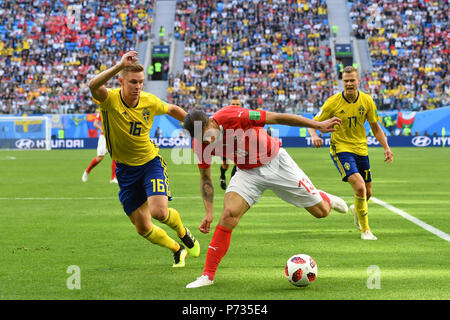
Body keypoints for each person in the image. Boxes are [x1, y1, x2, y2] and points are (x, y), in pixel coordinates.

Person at [183, 102, 348, 288]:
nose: (208, 141)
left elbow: (277, 117)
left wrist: (317, 125)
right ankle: (208, 276)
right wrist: (208, 212)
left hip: (276, 162)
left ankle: (324, 197)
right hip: (247, 173)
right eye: (202, 139)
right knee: (229, 214)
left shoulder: (235, 115)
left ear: (212, 122)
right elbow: (205, 178)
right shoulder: (200, 144)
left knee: (322, 211)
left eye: (208, 135)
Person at [88, 50, 200, 267]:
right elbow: (93, 85)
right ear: (121, 81)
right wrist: (120, 64)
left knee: (159, 211)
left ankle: (182, 231)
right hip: (125, 171)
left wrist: (197, 127)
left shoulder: (149, 101)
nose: (138, 87)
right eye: (132, 82)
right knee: (143, 228)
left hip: (150, 164)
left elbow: (172, 109)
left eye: (141, 82)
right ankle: (177, 250)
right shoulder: (109, 100)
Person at [307, 66, 394, 241]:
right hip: (341, 149)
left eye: (352, 80)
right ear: (342, 82)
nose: (349, 84)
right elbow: (312, 123)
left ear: (358, 81)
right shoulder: (332, 102)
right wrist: (315, 135)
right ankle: (366, 230)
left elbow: (376, 128)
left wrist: (386, 147)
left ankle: (357, 208)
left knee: (367, 192)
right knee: (360, 187)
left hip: (361, 149)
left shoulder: (367, 101)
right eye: (346, 81)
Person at [82, 111, 118, 183]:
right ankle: (87, 171)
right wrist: (101, 128)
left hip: (113, 137)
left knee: (115, 157)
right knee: (100, 158)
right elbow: (95, 124)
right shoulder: (102, 111)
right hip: (104, 137)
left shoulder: (115, 109)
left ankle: (113, 178)